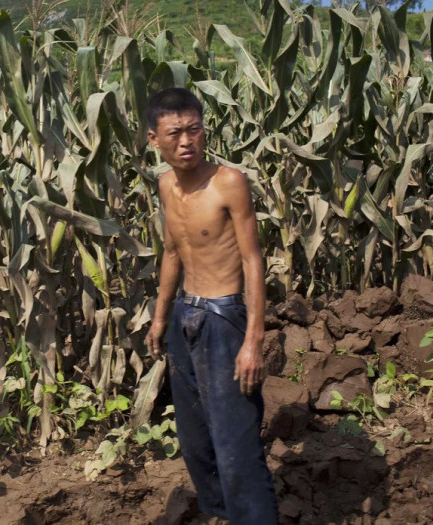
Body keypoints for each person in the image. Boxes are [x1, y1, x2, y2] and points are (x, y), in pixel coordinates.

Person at [143, 88, 277, 523]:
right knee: (196, 440)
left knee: (235, 444)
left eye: (194, 130)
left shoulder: (228, 182)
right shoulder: (164, 185)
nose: (186, 141)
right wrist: (160, 319)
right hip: (185, 316)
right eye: (175, 133)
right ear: (154, 140)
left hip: (224, 317)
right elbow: (171, 252)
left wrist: (253, 341)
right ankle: (223, 514)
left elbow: (253, 259)